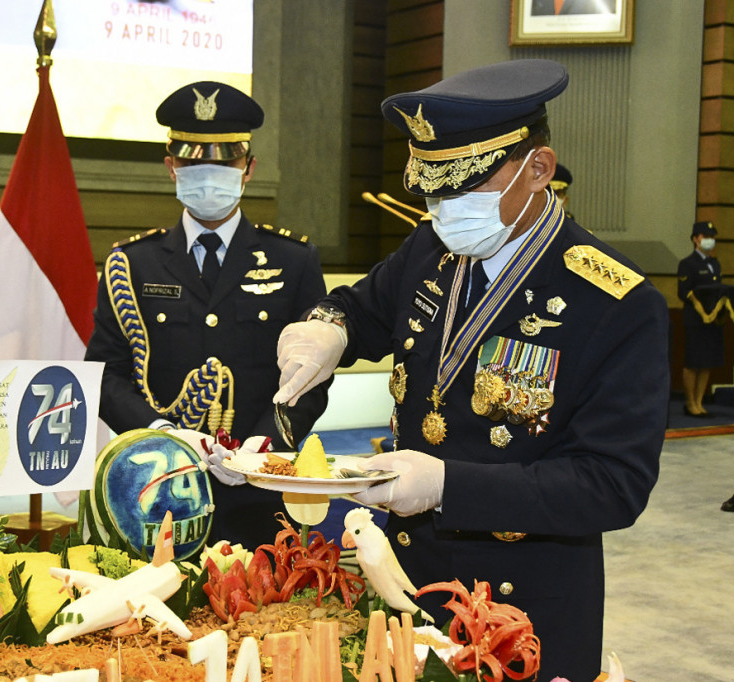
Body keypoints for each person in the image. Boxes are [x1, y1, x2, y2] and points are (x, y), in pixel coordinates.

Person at [274, 60, 668, 681]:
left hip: (521, 607)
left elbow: (612, 484)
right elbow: (362, 308)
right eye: (431, 190)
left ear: (538, 169)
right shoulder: (432, 250)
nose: (442, 208)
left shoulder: (614, 301)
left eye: (461, 188)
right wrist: (327, 329)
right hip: (406, 579)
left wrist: (447, 486)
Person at [85, 81, 330, 549]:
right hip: (155, 492)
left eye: (224, 161)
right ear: (171, 167)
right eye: (194, 162)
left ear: (248, 168)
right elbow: (106, 375)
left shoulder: (294, 261)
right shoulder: (133, 263)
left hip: (260, 494)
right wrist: (162, 434)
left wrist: (263, 446)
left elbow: (311, 379)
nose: (208, 174)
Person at [677, 220, 725, 417]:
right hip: (695, 320)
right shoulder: (688, 264)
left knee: (706, 362)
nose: (710, 241)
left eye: (712, 237)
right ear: (696, 239)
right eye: (706, 237)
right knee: (693, 362)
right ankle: (689, 402)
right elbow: (684, 292)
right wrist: (701, 311)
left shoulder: (714, 263)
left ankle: (699, 401)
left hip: (713, 320)